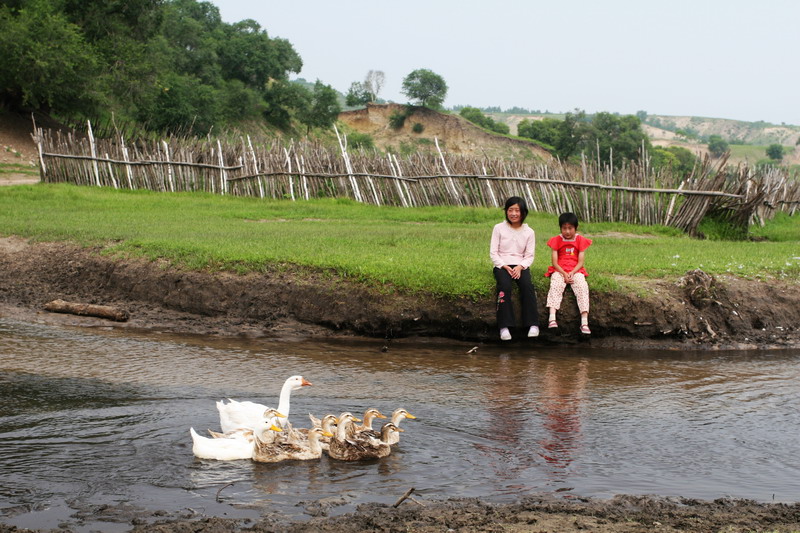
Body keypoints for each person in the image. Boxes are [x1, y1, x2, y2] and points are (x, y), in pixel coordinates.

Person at [489, 196, 540, 341]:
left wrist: (520, 267)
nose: (513, 214)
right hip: (502, 265)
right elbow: (494, 252)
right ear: (506, 211)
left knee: (527, 286)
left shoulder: (529, 232)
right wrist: (503, 265)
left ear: (523, 212)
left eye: (517, 210)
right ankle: (504, 327)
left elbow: (529, 255)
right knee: (504, 286)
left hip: (520, 265)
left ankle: (533, 324)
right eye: (510, 210)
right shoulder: (498, 228)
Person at [545, 212, 592, 335]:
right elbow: (554, 262)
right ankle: (552, 317)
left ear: (576, 228)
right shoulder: (556, 240)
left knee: (582, 286)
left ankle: (584, 321)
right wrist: (564, 273)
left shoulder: (580, 240)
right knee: (556, 285)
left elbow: (581, 262)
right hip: (559, 269)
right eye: (564, 228)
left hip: (575, 270)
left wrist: (572, 272)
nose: (567, 231)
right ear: (560, 228)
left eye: (570, 228)